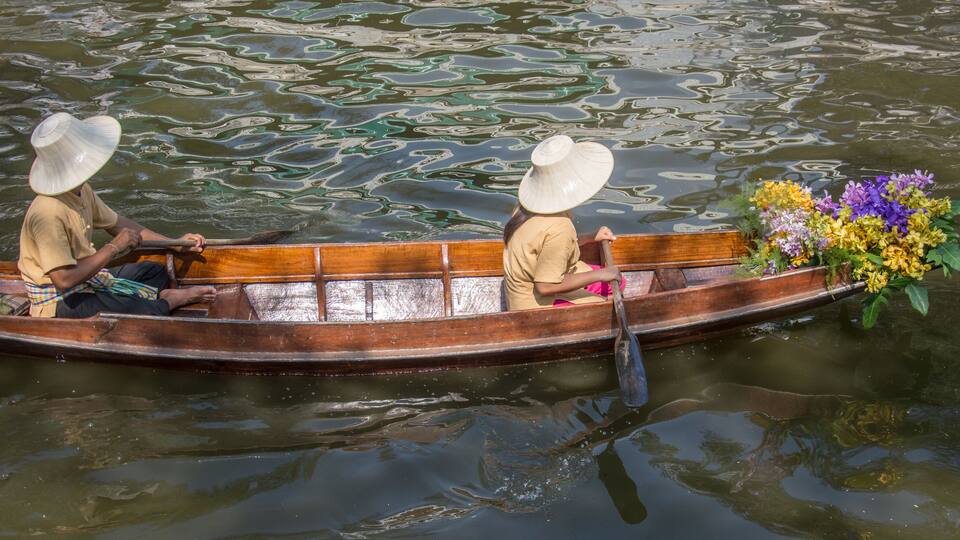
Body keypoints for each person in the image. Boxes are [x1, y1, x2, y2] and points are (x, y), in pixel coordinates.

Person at [18, 112, 217, 318]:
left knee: (154, 272)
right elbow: (64, 280)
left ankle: (160, 295)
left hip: (88, 279)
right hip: (58, 299)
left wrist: (174, 243)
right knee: (141, 311)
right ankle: (170, 300)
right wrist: (114, 247)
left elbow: (117, 224)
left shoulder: (81, 190)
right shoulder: (47, 212)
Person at [503, 134, 623, 311]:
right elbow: (545, 287)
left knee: (619, 283)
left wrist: (590, 237)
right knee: (608, 305)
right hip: (533, 306)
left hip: (524, 290)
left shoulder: (524, 207)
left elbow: (544, 245)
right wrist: (601, 274)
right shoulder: (560, 226)